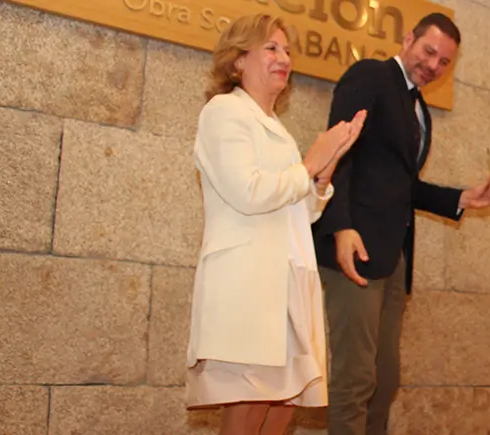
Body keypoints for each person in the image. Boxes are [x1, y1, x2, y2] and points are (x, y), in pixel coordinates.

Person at [311, 12, 490, 435]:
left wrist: (463, 198)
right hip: (355, 251)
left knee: (384, 380)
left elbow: (402, 186)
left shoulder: (419, 109)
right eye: (429, 51)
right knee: (354, 379)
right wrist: (341, 226)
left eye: (444, 62)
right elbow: (335, 151)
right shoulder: (371, 76)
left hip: (392, 259)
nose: (433, 65)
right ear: (408, 39)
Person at [184, 13, 367, 435]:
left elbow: (298, 212)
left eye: (287, 50)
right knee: (247, 411)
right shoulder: (223, 112)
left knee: (282, 408)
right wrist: (310, 163)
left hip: (287, 286)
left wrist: (324, 172)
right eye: (271, 48)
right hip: (248, 287)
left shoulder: (278, 131)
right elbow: (248, 192)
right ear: (237, 61)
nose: (284, 57)